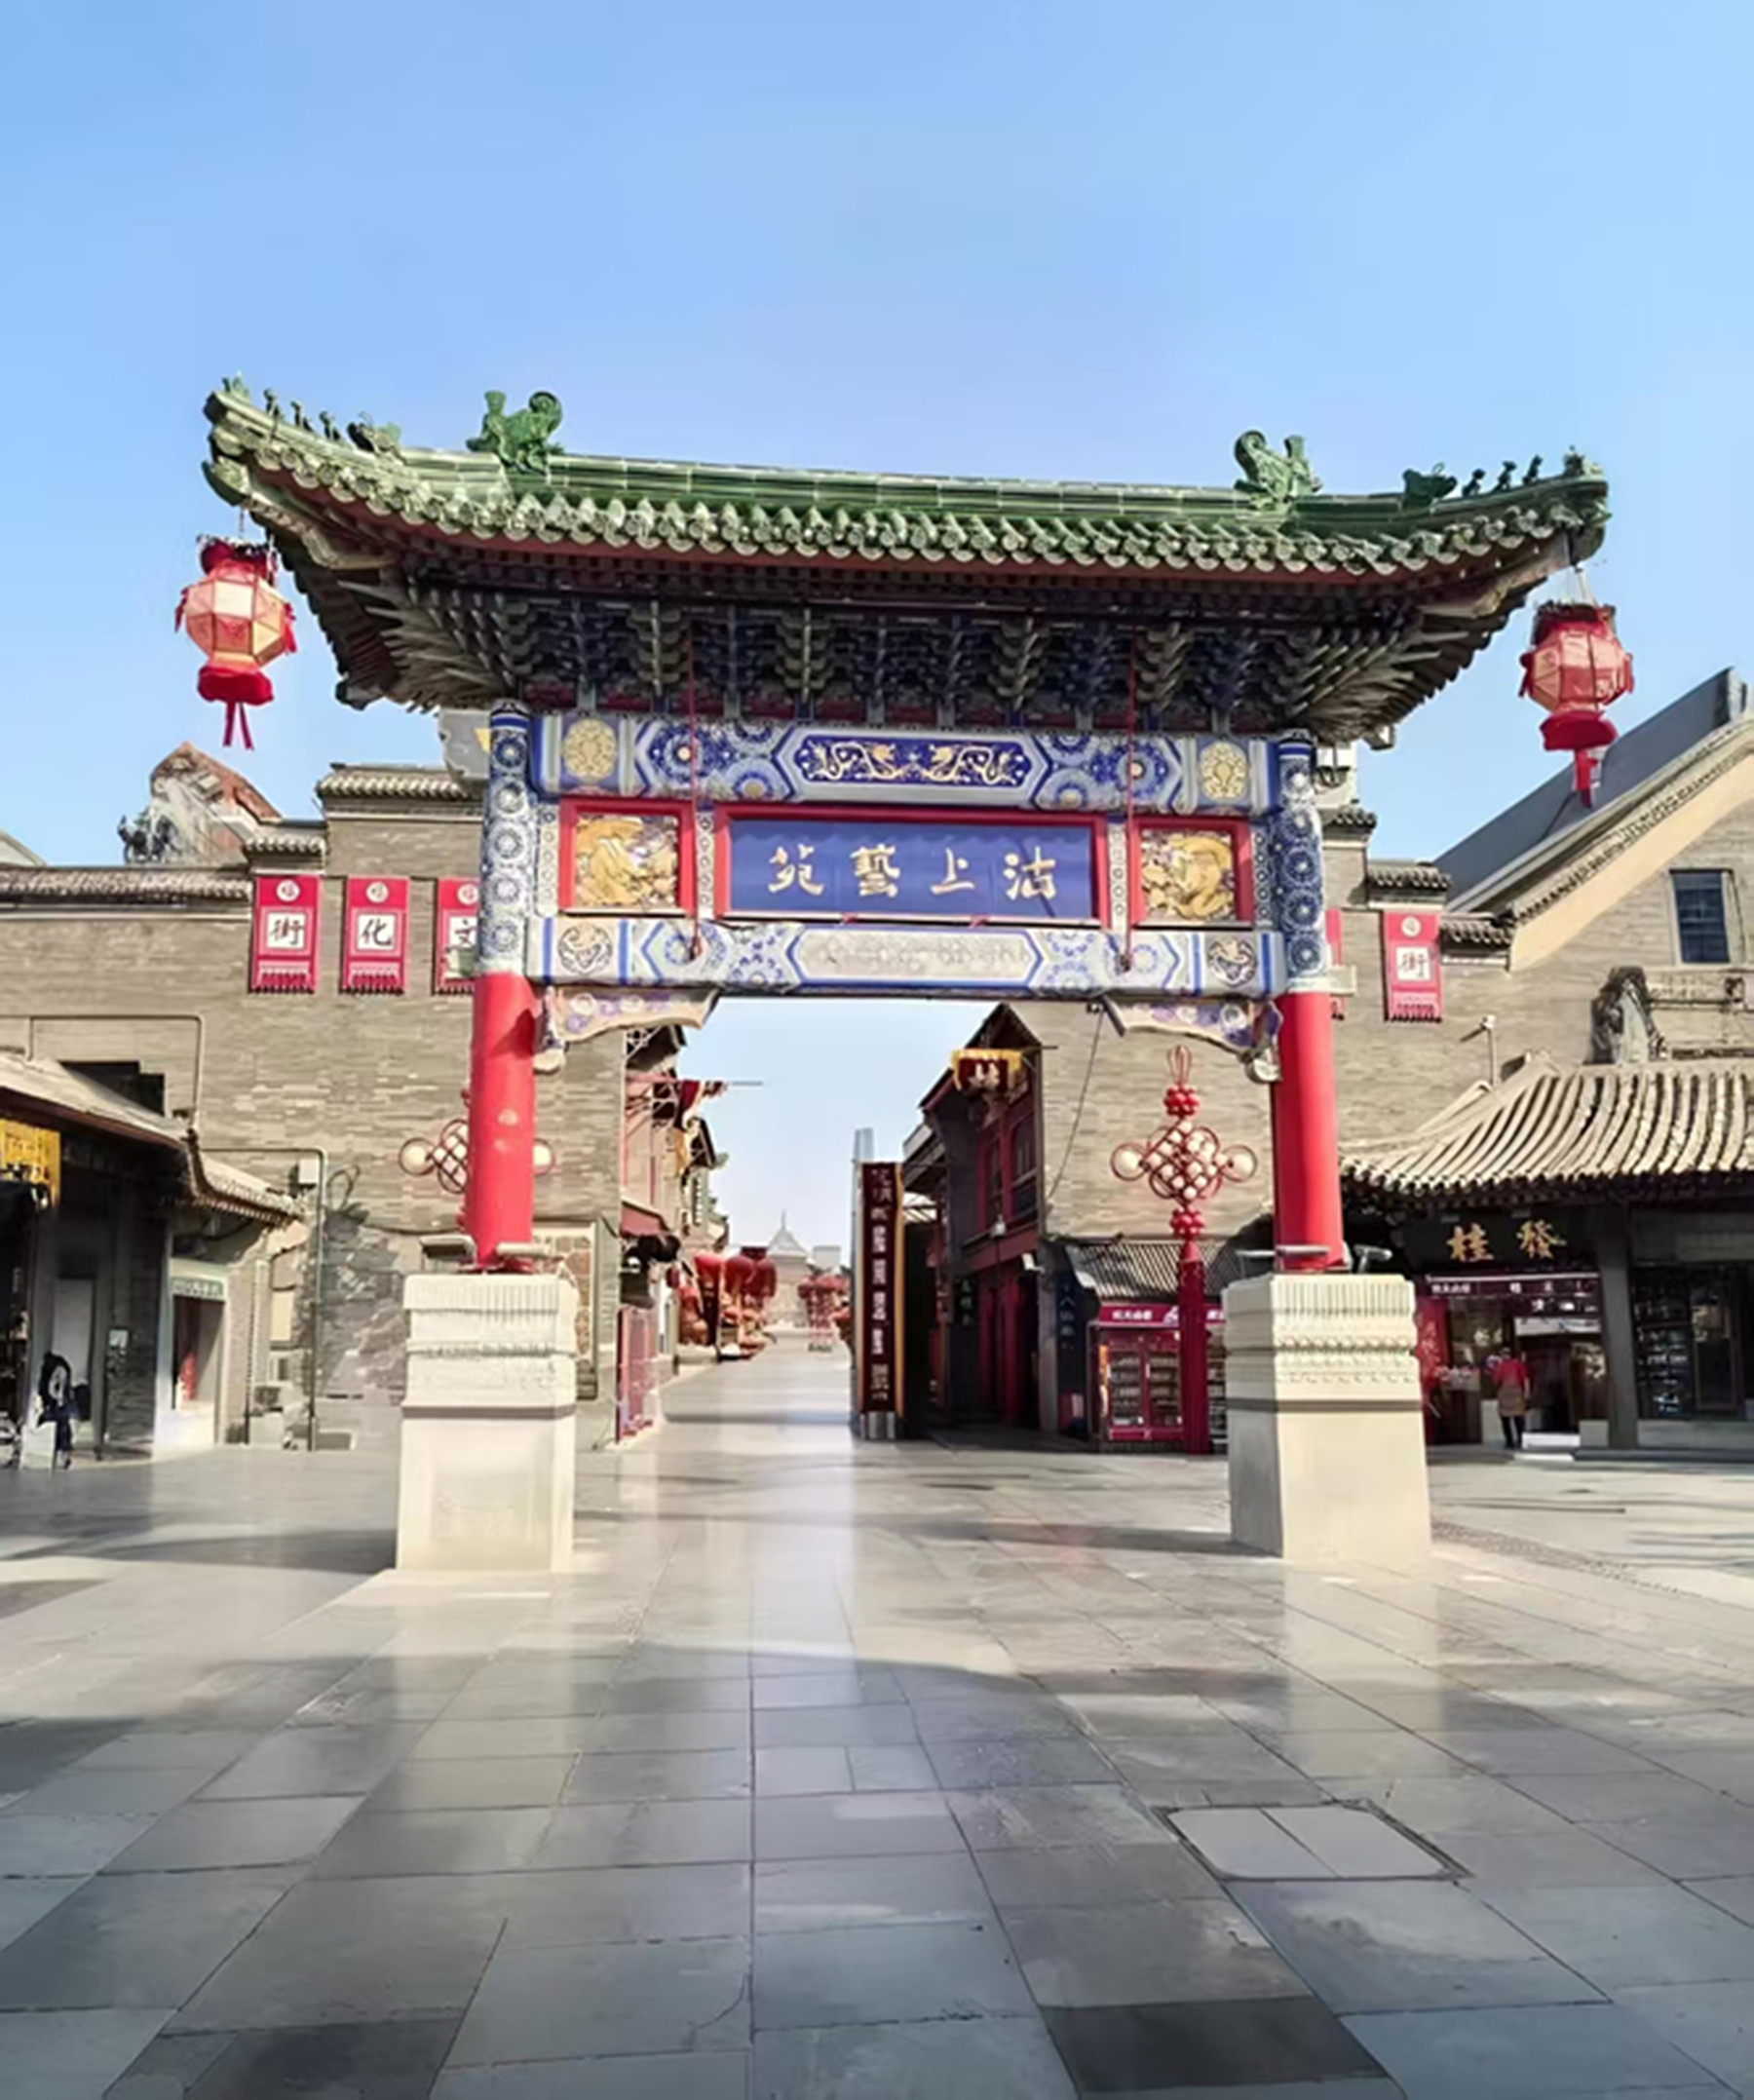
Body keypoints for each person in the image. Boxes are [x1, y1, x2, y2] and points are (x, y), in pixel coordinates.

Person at [36, 1351, 74, 1469]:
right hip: (61, 1403)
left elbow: (51, 1387)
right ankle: (62, 1455)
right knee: (63, 1428)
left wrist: (53, 1399)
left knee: (58, 1427)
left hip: (57, 1403)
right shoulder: (62, 1366)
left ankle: (57, 1454)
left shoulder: (53, 1368)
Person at [1493, 1351, 1530, 1452]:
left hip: (1504, 1393)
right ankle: (1519, 1440)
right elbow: (1523, 1379)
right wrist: (1525, 1394)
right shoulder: (1518, 1365)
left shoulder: (1500, 1366)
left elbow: (1496, 1380)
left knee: (1505, 1418)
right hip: (1517, 1392)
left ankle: (1509, 1441)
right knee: (1518, 1417)